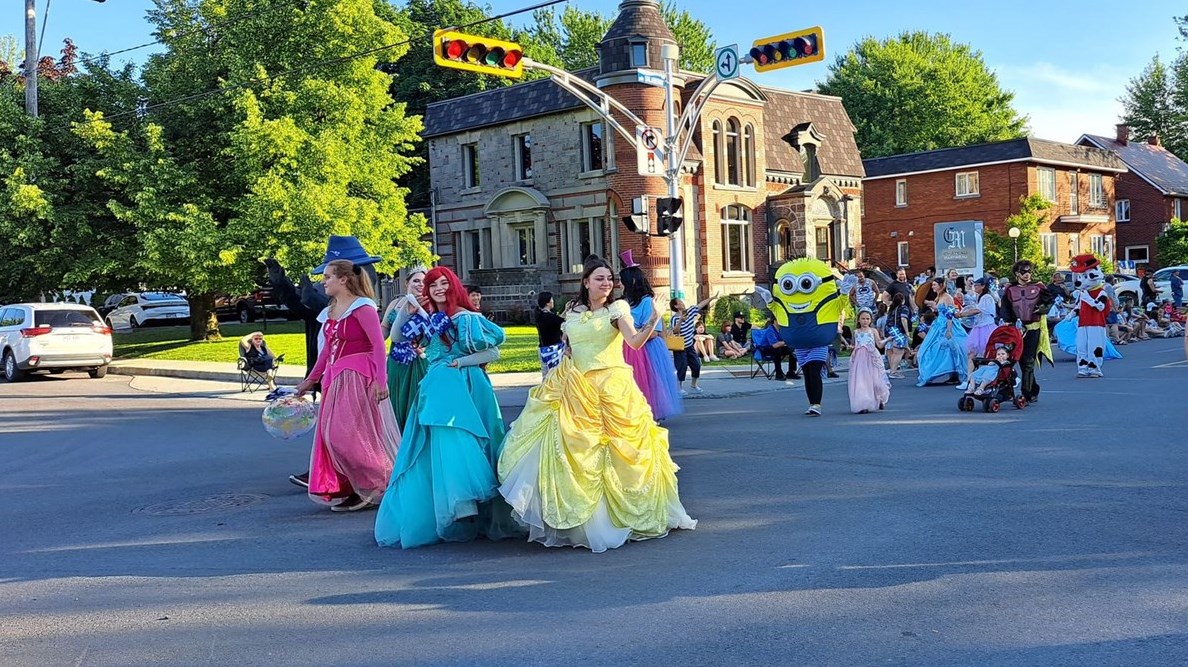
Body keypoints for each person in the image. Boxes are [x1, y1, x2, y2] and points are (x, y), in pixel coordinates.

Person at [498, 256, 697, 552]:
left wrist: (655, 318)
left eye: (609, 279)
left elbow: (634, 342)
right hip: (576, 386)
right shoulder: (572, 310)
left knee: (616, 451)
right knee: (572, 450)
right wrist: (565, 363)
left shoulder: (617, 310)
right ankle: (580, 519)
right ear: (586, 282)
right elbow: (569, 346)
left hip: (612, 387)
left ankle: (616, 518)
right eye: (599, 278)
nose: (606, 283)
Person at [375, 267, 520, 548]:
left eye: (444, 283)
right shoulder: (427, 318)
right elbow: (398, 337)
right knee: (439, 439)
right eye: (433, 285)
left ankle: (471, 505)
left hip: (469, 385)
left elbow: (493, 350)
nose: (439, 289)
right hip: (438, 384)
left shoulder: (466, 317)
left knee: (470, 437)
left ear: (454, 286)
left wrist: (459, 362)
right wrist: (406, 308)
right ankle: (455, 505)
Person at [294, 259, 400, 513]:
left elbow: (377, 345)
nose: (323, 281)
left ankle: (376, 483)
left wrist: (381, 380)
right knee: (331, 436)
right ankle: (354, 485)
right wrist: (311, 380)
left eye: (328, 277)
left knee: (345, 436)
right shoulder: (332, 309)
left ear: (343, 279)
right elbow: (326, 350)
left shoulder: (362, 308)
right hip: (335, 379)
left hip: (357, 377)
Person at [618, 250, 684, 420]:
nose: (618, 284)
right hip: (630, 347)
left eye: (621, 281)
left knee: (649, 382)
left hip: (648, 349)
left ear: (630, 282)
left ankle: (652, 414)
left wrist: (634, 331)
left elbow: (654, 332)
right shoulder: (624, 302)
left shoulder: (647, 301)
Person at [380, 267, 429, 431]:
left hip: (419, 359)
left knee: (416, 397)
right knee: (396, 396)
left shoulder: (429, 304)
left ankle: (414, 435)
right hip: (396, 360)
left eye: (424, 282)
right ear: (406, 283)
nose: (420, 284)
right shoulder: (395, 304)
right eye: (416, 281)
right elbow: (385, 328)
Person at [999, 260, 1053, 403]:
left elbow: (1049, 301)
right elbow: (1005, 307)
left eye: (1029, 271)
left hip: (1033, 328)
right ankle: (1014, 389)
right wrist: (1006, 321)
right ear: (1017, 273)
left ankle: (1026, 394)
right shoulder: (1010, 289)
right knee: (1012, 359)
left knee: (1028, 361)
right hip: (1015, 329)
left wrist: (1042, 309)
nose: (1027, 274)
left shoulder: (1039, 286)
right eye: (1023, 272)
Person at [915, 279, 968, 387]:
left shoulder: (948, 297)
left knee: (950, 348)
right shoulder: (938, 296)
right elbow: (940, 309)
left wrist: (948, 330)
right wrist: (931, 305)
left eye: (935, 285)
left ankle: (955, 374)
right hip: (938, 325)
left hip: (947, 325)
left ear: (941, 285)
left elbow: (950, 315)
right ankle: (950, 374)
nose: (933, 287)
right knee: (929, 349)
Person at [955, 277, 999, 389]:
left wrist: (961, 314)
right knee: (972, 354)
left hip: (986, 328)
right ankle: (969, 380)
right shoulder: (979, 297)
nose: (974, 287)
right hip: (979, 327)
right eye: (974, 285)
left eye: (977, 285)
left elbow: (977, 310)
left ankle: (991, 378)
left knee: (988, 355)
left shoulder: (987, 297)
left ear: (983, 286)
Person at [670, 293, 718, 394]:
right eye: (680, 302)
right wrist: (680, 321)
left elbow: (700, 304)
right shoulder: (674, 318)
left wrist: (712, 298)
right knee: (682, 367)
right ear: (676, 306)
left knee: (696, 365)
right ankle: (679, 388)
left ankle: (694, 385)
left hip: (689, 345)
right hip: (680, 347)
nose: (683, 303)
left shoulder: (690, 311)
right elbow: (675, 331)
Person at [847, 308, 890, 414]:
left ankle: (880, 398)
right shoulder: (856, 332)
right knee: (862, 381)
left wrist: (887, 340)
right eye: (863, 319)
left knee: (876, 381)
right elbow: (854, 345)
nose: (865, 321)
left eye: (867, 319)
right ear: (858, 320)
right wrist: (850, 347)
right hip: (859, 359)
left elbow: (879, 344)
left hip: (872, 357)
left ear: (871, 320)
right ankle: (864, 404)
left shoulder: (873, 331)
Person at [753, 314, 798, 380]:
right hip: (765, 350)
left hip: (776, 348)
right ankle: (778, 374)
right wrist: (787, 341)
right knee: (777, 350)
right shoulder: (770, 330)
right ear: (775, 321)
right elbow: (775, 345)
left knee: (791, 349)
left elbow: (783, 341)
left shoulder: (780, 329)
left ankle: (791, 372)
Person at [534, 291, 566, 378]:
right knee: (555, 376)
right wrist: (568, 310)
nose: (553, 301)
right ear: (547, 303)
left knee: (546, 376)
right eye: (551, 299)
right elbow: (562, 320)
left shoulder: (540, 316)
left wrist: (566, 310)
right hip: (553, 350)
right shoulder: (549, 317)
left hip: (543, 349)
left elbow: (558, 319)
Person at [883, 292, 912, 379]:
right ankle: (893, 372)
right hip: (898, 332)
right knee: (899, 352)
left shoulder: (892, 308)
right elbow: (903, 319)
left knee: (895, 352)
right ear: (903, 300)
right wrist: (907, 332)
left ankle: (892, 370)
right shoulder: (903, 308)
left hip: (890, 331)